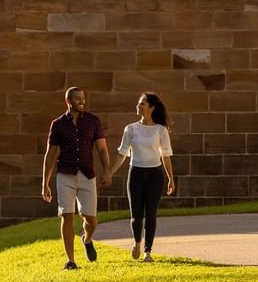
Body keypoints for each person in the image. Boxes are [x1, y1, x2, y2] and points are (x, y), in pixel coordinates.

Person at [42, 87, 111, 270]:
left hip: (87, 175)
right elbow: (50, 154)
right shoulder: (57, 125)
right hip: (65, 175)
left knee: (91, 220)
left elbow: (102, 149)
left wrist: (107, 171)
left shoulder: (93, 121)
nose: (82, 101)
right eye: (78, 99)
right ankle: (70, 261)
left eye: (83, 98)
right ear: (68, 101)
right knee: (66, 215)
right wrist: (45, 183)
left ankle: (86, 239)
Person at [110, 92, 175, 262]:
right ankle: (137, 242)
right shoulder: (130, 128)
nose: (139, 106)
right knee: (136, 214)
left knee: (151, 213)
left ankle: (148, 252)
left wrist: (171, 179)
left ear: (151, 108)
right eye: (139, 103)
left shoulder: (161, 130)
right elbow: (122, 154)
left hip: (155, 175)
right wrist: (110, 172)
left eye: (142, 103)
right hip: (136, 173)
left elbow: (166, 156)